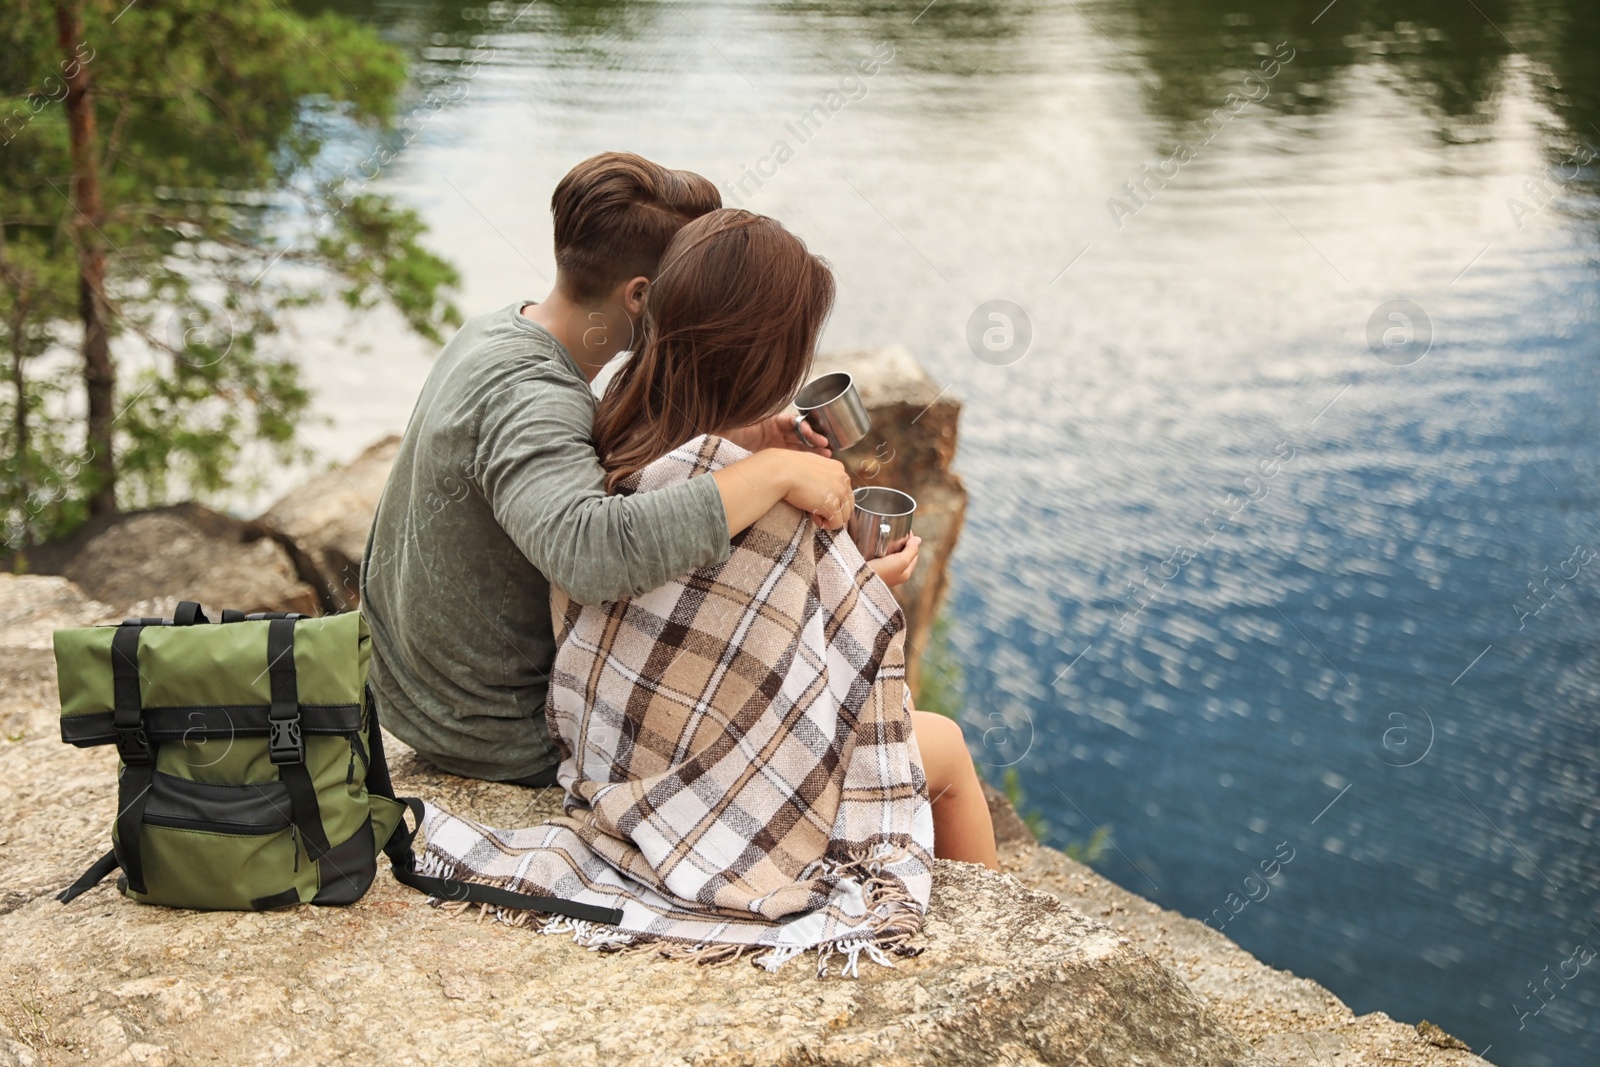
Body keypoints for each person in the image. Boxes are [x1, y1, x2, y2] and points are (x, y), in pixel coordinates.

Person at [418, 210, 993, 972]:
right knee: (945, 747)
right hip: (702, 779)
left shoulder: (618, 421)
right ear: (772, 358)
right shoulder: (767, 501)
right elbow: (775, 667)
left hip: (607, 750)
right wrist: (868, 591)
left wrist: (755, 440)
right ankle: (990, 952)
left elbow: (692, 623)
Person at [360, 153, 913, 786]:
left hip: (422, 690)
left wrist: (746, 437)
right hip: (493, 730)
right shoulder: (536, 399)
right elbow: (589, 553)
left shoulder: (499, 332)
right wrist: (776, 478)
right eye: (695, 275)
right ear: (644, 296)